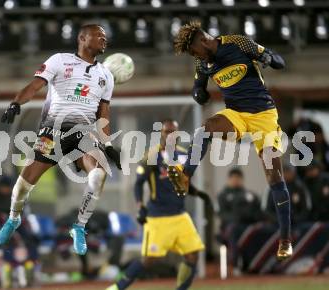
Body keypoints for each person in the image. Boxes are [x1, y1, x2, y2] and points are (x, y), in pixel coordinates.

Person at [0, 24, 121, 256]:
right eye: (99, 35)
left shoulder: (106, 75)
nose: (104, 39)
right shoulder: (59, 61)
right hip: (52, 132)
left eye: (105, 36)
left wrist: (109, 145)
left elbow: (103, 114)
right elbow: (34, 86)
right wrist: (15, 103)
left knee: (99, 174)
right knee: (23, 185)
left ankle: (79, 226)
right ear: (82, 38)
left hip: (84, 134)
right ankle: (14, 218)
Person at [169, 21, 292, 259]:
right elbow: (198, 87)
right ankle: (185, 175)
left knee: (274, 176)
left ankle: (285, 240)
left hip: (263, 115)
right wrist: (199, 94)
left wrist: (268, 59)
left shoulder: (238, 43)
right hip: (235, 114)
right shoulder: (201, 61)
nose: (196, 57)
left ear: (204, 41)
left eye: (195, 51)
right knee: (205, 129)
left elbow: (279, 61)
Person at [106, 119, 205, 290]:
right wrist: (140, 206)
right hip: (158, 217)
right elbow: (138, 184)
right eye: (168, 132)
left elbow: (185, 181)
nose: (171, 135)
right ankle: (116, 287)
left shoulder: (183, 155)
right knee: (148, 260)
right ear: (161, 134)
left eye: (174, 131)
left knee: (193, 256)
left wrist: (199, 194)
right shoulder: (151, 156)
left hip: (180, 215)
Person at [218, 168, 263, 270]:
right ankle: (235, 263)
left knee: (261, 229)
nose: (236, 180)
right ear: (229, 179)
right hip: (230, 227)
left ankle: (258, 263)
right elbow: (222, 214)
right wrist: (238, 217)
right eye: (233, 178)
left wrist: (251, 218)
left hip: (248, 225)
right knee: (233, 229)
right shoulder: (223, 195)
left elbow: (258, 213)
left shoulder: (250, 195)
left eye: (238, 178)